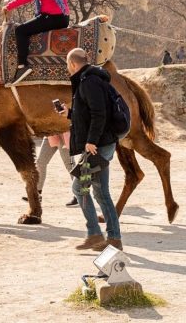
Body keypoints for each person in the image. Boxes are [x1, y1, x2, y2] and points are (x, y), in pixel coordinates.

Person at [60, 48, 121, 251]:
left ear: (73, 64)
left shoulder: (89, 82)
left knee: (85, 189)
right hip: (99, 145)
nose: (68, 69)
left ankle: (104, 236)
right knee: (94, 190)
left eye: (68, 65)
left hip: (97, 146)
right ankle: (102, 236)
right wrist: (69, 113)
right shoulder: (91, 80)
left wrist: (91, 141)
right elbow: (87, 113)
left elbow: (99, 113)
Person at [3, 0, 73, 84]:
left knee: (21, 31)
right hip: (64, 18)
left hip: (52, 18)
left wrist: (9, 6)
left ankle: (22, 66)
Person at [22, 133, 78, 207]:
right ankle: (37, 194)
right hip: (50, 134)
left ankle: (79, 194)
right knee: (40, 162)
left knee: (70, 165)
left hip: (63, 134)